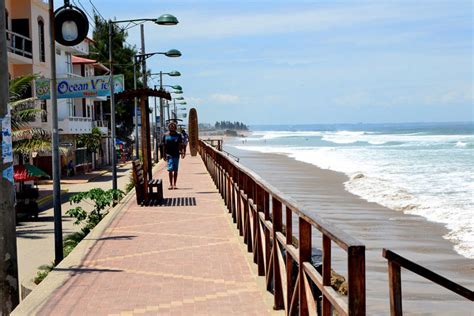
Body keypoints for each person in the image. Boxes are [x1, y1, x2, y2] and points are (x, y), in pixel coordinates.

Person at [162, 122, 185, 189]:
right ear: (168, 127)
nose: (172, 127)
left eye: (173, 126)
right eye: (170, 126)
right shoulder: (165, 135)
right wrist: (163, 154)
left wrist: (182, 152)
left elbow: (180, 145)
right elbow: (164, 146)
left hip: (176, 154)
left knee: (175, 170)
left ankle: (174, 184)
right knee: (170, 169)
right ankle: (170, 184)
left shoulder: (178, 135)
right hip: (169, 155)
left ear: (175, 127)